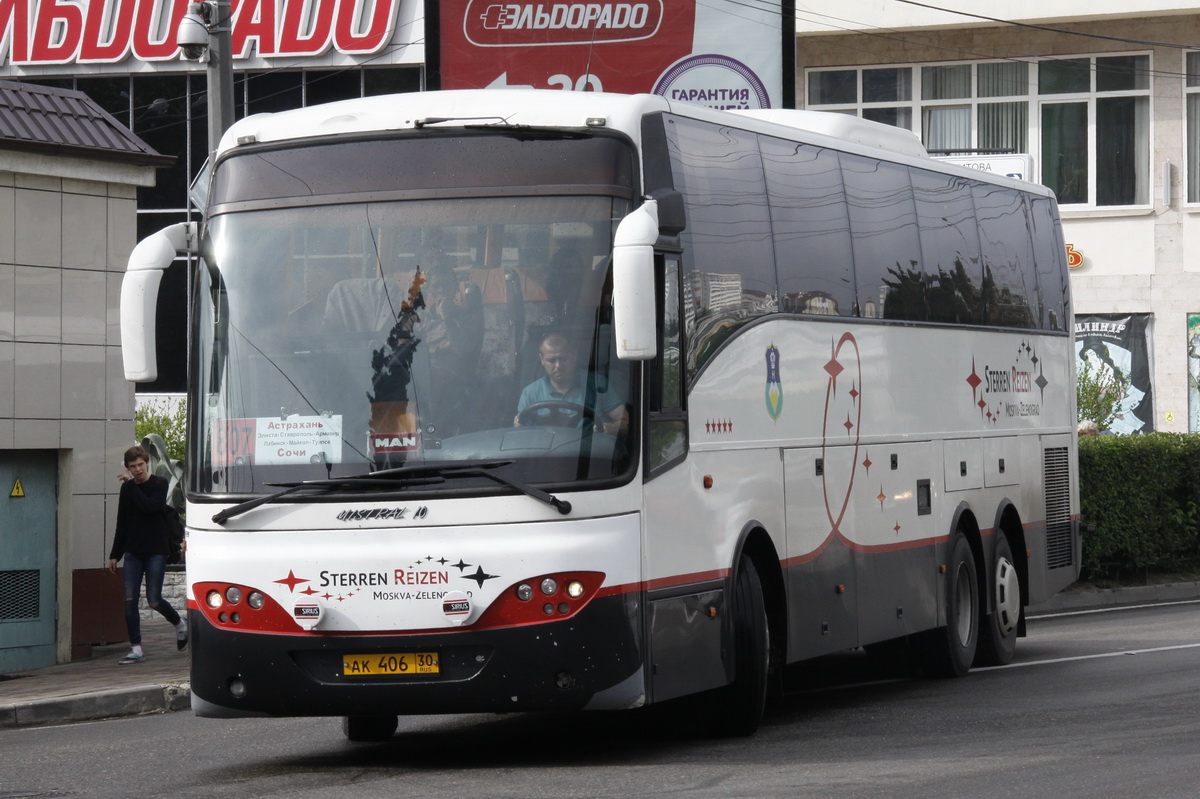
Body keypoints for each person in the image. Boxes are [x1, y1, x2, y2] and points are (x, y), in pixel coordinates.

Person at [108, 445, 188, 664]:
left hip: (155, 550)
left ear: (147, 463)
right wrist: (115, 554)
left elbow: (150, 507)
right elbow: (121, 521)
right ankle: (136, 648)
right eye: (133, 467)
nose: (138, 469)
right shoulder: (127, 489)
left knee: (154, 600)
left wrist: (132, 486)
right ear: (128, 468)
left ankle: (180, 624)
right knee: (129, 600)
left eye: (141, 465)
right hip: (133, 551)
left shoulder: (159, 484)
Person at [514, 332, 627, 435]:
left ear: (574, 356)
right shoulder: (529, 393)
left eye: (563, 359)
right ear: (542, 359)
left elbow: (626, 422)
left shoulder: (598, 384)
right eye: (551, 360)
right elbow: (522, 433)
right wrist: (518, 424)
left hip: (590, 453)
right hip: (546, 454)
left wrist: (608, 428)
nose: (558, 366)